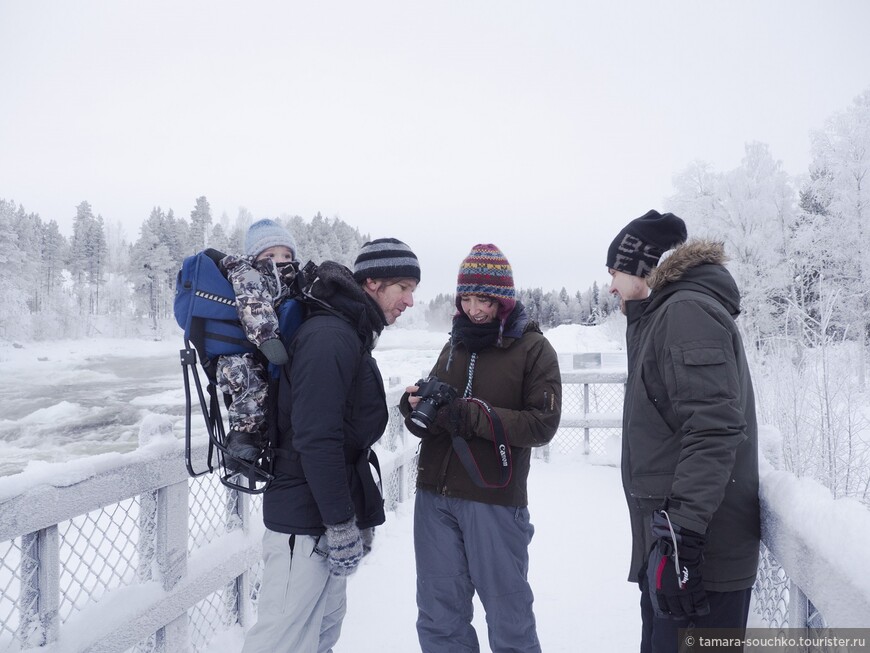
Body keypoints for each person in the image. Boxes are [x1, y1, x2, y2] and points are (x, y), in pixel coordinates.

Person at [242, 237, 420, 653]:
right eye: (404, 288)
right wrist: (341, 523)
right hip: (304, 524)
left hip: (320, 518)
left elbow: (343, 431)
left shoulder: (347, 331)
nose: (410, 301)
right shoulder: (330, 336)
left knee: (321, 635)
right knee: (281, 643)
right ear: (372, 283)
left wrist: (351, 518)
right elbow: (317, 438)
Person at [606, 210, 760, 652]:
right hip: (676, 552)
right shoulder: (665, 315)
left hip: (699, 559)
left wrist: (683, 539)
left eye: (614, 270)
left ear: (642, 266)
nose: (611, 285)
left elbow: (712, 428)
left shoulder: (686, 312)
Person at [399, 243, 561, 653]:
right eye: (466, 299)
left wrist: (471, 416)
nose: (474, 310)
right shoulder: (454, 343)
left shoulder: (533, 349)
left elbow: (542, 424)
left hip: (494, 499)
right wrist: (417, 406)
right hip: (434, 497)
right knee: (438, 616)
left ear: (503, 299)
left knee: (509, 618)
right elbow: (440, 407)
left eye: (484, 299)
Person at [216, 218, 299, 469]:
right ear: (255, 255)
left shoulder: (287, 279)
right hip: (240, 358)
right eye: (271, 253)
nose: (281, 259)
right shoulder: (247, 272)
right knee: (251, 382)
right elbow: (253, 306)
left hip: (264, 354)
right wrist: (268, 339)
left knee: (268, 394)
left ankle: (260, 447)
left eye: (286, 253)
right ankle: (242, 440)